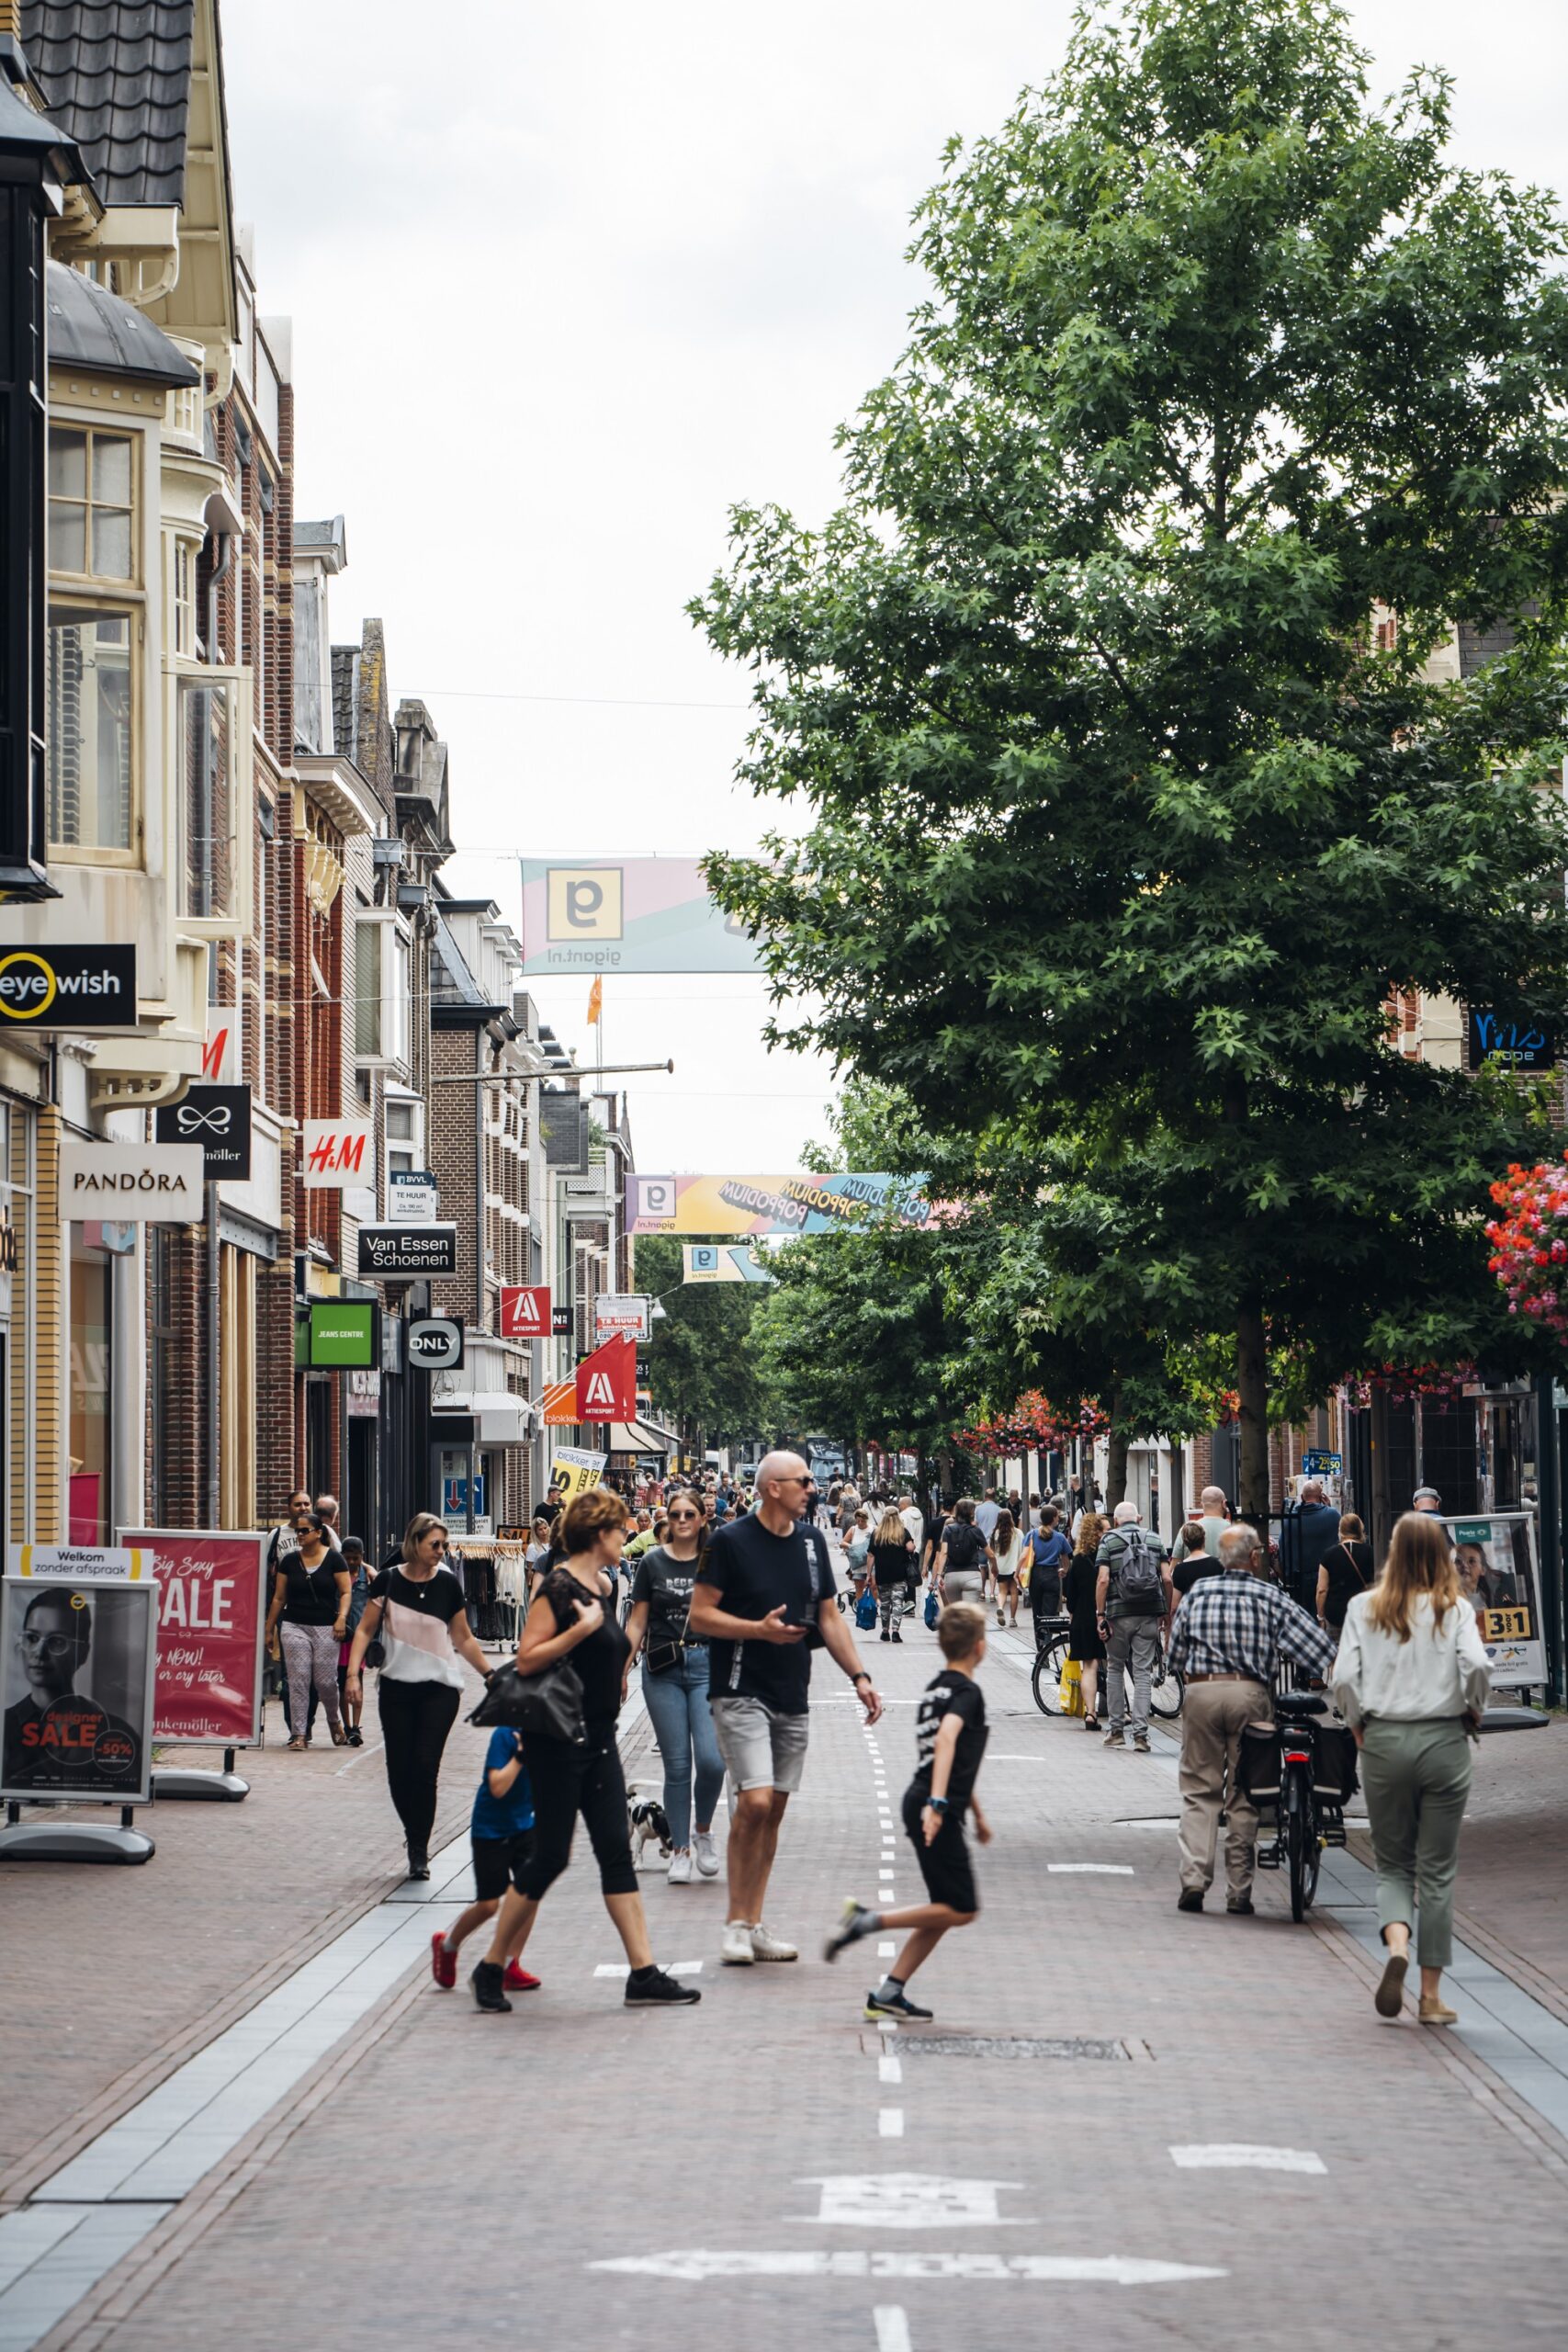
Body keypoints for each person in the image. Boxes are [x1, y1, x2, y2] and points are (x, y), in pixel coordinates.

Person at [471, 1487, 700, 2013]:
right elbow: (527, 1660)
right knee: (550, 1857)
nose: (627, 1537)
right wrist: (581, 1632)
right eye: (620, 1530)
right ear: (600, 1534)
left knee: (616, 1855)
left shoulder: (601, 1584)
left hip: (598, 1740)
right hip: (559, 1744)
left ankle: (643, 1973)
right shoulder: (558, 1588)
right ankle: (490, 1968)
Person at [688, 1448, 883, 1967]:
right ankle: (734, 1923)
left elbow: (829, 1618)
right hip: (738, 1689)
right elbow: (701, 1616)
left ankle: (753, 1922)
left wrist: (859, 1676)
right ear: (773, 1487)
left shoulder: (814, 1542)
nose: (812, 1488)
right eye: (802, 1481)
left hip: (792, 1693)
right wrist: (756, 1631)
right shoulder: (728, 1542)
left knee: (772, 1811)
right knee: (751, 1802)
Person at [1331, 1512, 1491, 2025]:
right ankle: (1430, 1995)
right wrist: (1474, 1708)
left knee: (1392, 1863)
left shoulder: (1363, 1607)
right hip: (1444, 1738)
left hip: (1383, 1739)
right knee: (1438, 1871)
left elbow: (1344, 1677)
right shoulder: (1456, 1610)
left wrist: (1358, 1725)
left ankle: (1396, 1941)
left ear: (1393, 1553)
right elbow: (1479, 1667)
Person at [823, 1600, 992, 2019]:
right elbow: (948, 1742)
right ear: (980, 1648)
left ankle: (889, 1991)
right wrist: (939, 1806)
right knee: (962, 1908)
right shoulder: (968, 1694)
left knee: (944, 1907)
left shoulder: (936, 1688)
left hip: (924, 1798)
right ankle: (868, 1921)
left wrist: (977, 1812)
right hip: (931, 1805)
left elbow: (950, 1759)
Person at [1168, 1522, 1338, 1915]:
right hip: (1250, 1694)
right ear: (1255, 1557)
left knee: (1198, 1790)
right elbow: (1317, 1652)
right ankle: (1238, 1891)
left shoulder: (1198, 1594)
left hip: (1202, 1691)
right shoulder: (1268, 1596)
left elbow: (1175, 1655)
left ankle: (1194, 1880)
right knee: (1244, 1790)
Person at [346, 1513, 494, 1881]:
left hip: (439, 1688)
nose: (441, 1551)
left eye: (444, 1545)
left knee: (425, 1768)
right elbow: (365, 1630)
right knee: (399, 1770)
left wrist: (490, 1674)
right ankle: (414, 1833)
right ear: (414, 1543)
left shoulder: (447, 1583)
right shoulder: (388, 1581)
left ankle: (419, 1848)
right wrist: (352, 1674)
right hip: (396, 1687)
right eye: (435, 1545)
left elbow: (462, 1638)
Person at [623, 1490, 725, 1883]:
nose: (682, 1520)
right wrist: (622, 1668)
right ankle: (679, 1849)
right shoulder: (652, 1563)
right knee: (678, 1764)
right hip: (662, 1668)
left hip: (706, 1664)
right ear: (667, 1519)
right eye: (675, 1514)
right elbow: (637, 1622)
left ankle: (702, 1830)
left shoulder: (716, 1561)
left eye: (689, 1514)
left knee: (713, 1760)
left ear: (701, 1518)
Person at [430, 1725, 541, 1996]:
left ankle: (509, 1965)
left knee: (530, 1893)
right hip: (491, 1829)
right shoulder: (505, 1735)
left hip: (525, 1826)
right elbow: (498, 1786)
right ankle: (448, 1946)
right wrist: (521, 1757)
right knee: (489, 1905)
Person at [264, 1509, 351, 1751]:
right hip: (294, 1625)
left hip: (326, 1627)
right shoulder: (290, 1561)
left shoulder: (335, 1559)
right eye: (297, 1531)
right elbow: (279, 1597)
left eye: (305, 1530)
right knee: (298, 1679)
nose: (300, 1534)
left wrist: (342, 1617)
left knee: (325, 1682)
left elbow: (345, 1592)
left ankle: (334, 1720)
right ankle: (298, 1734)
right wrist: (269, 1628)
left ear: (318, 1533)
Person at [1094, 1501, 1172, 1753]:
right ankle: (1141, 1736)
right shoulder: (1154, 1539)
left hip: (1118, 1614)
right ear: (1137, 1518)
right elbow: (1168, 1578)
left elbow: (1103, 1579)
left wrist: (1100, 1615)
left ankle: (1116, 1731)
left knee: (1115, 1668)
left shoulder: (1108, 1541)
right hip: (1149, 1613)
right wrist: (1165, 1611)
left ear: (1116, 1521)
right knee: (1141, 1673)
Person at [1316, 1512, 1375, 1636]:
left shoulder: (1329, 1555)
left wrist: (1321, 1617)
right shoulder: (1372, 1553)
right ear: (1360, 1529)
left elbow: (1322, 1590)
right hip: (1363, 1613)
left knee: (1335, 1652)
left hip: (1336, 1615)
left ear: (1340, 1530)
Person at [337, 1534, 370, 1745]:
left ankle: (356, 1727)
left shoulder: (367, 1576)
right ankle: (347, 1726)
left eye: (355, 1558)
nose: (351, 1562)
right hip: (340, 1637)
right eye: (347, 1558)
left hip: (358, 1638)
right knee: (341, 1683)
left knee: (357, 1680)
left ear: (362, 1557)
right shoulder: (337, 1575)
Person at [870, 1508, 919, 1643]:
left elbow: (870, 1555)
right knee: (897, 1602)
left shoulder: (877, 1533)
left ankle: (885, 1632)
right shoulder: (903, 1532)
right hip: (900, 1573)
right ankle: (896, 1631)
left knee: (885, 1604)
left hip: (882, 1573)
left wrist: (869, 1573)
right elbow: (910, 1548)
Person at [1292, 1478, 1342, 1601]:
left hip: (1298, 1579)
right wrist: (1329, 1507)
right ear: (1321, 1497)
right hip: (1328, 1577)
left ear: (1302, 1498)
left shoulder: (1290, 1519)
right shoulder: (1332, 1515)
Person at [932, 1496, 988, 1605]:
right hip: (972, 1575)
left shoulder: (948, 1530)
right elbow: (990, 1554)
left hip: (952, 1575)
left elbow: (944, 1553)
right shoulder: (975, 1531)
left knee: (956, 1612)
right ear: (972, 1513)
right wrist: (994, 1567)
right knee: (969, 1613)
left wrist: (939, 1575)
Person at [991, 1508, 1025, 1629]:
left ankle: (1000, 1607)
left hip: (1002, 1567)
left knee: (1002, 1592)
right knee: (1014, 1592)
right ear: (1011, 1519)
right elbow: (1023, 1550)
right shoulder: (1018, 1533)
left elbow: (993, 1552)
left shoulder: (995, 1534)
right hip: (1015, 1567)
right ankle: (1012, 1619)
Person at [1170, 1520, 1214, 1599]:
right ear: (1204, 1538)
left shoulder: (1179, 1570)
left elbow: (1174, 1607)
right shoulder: (1218, 1564)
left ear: (1185, 1542)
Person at [1197, 1484, 1231, 1559]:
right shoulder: (1234, 1530)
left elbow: (1173, 1567)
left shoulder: (1187, 1530)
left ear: (1202, 1504)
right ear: (1224, 1504)